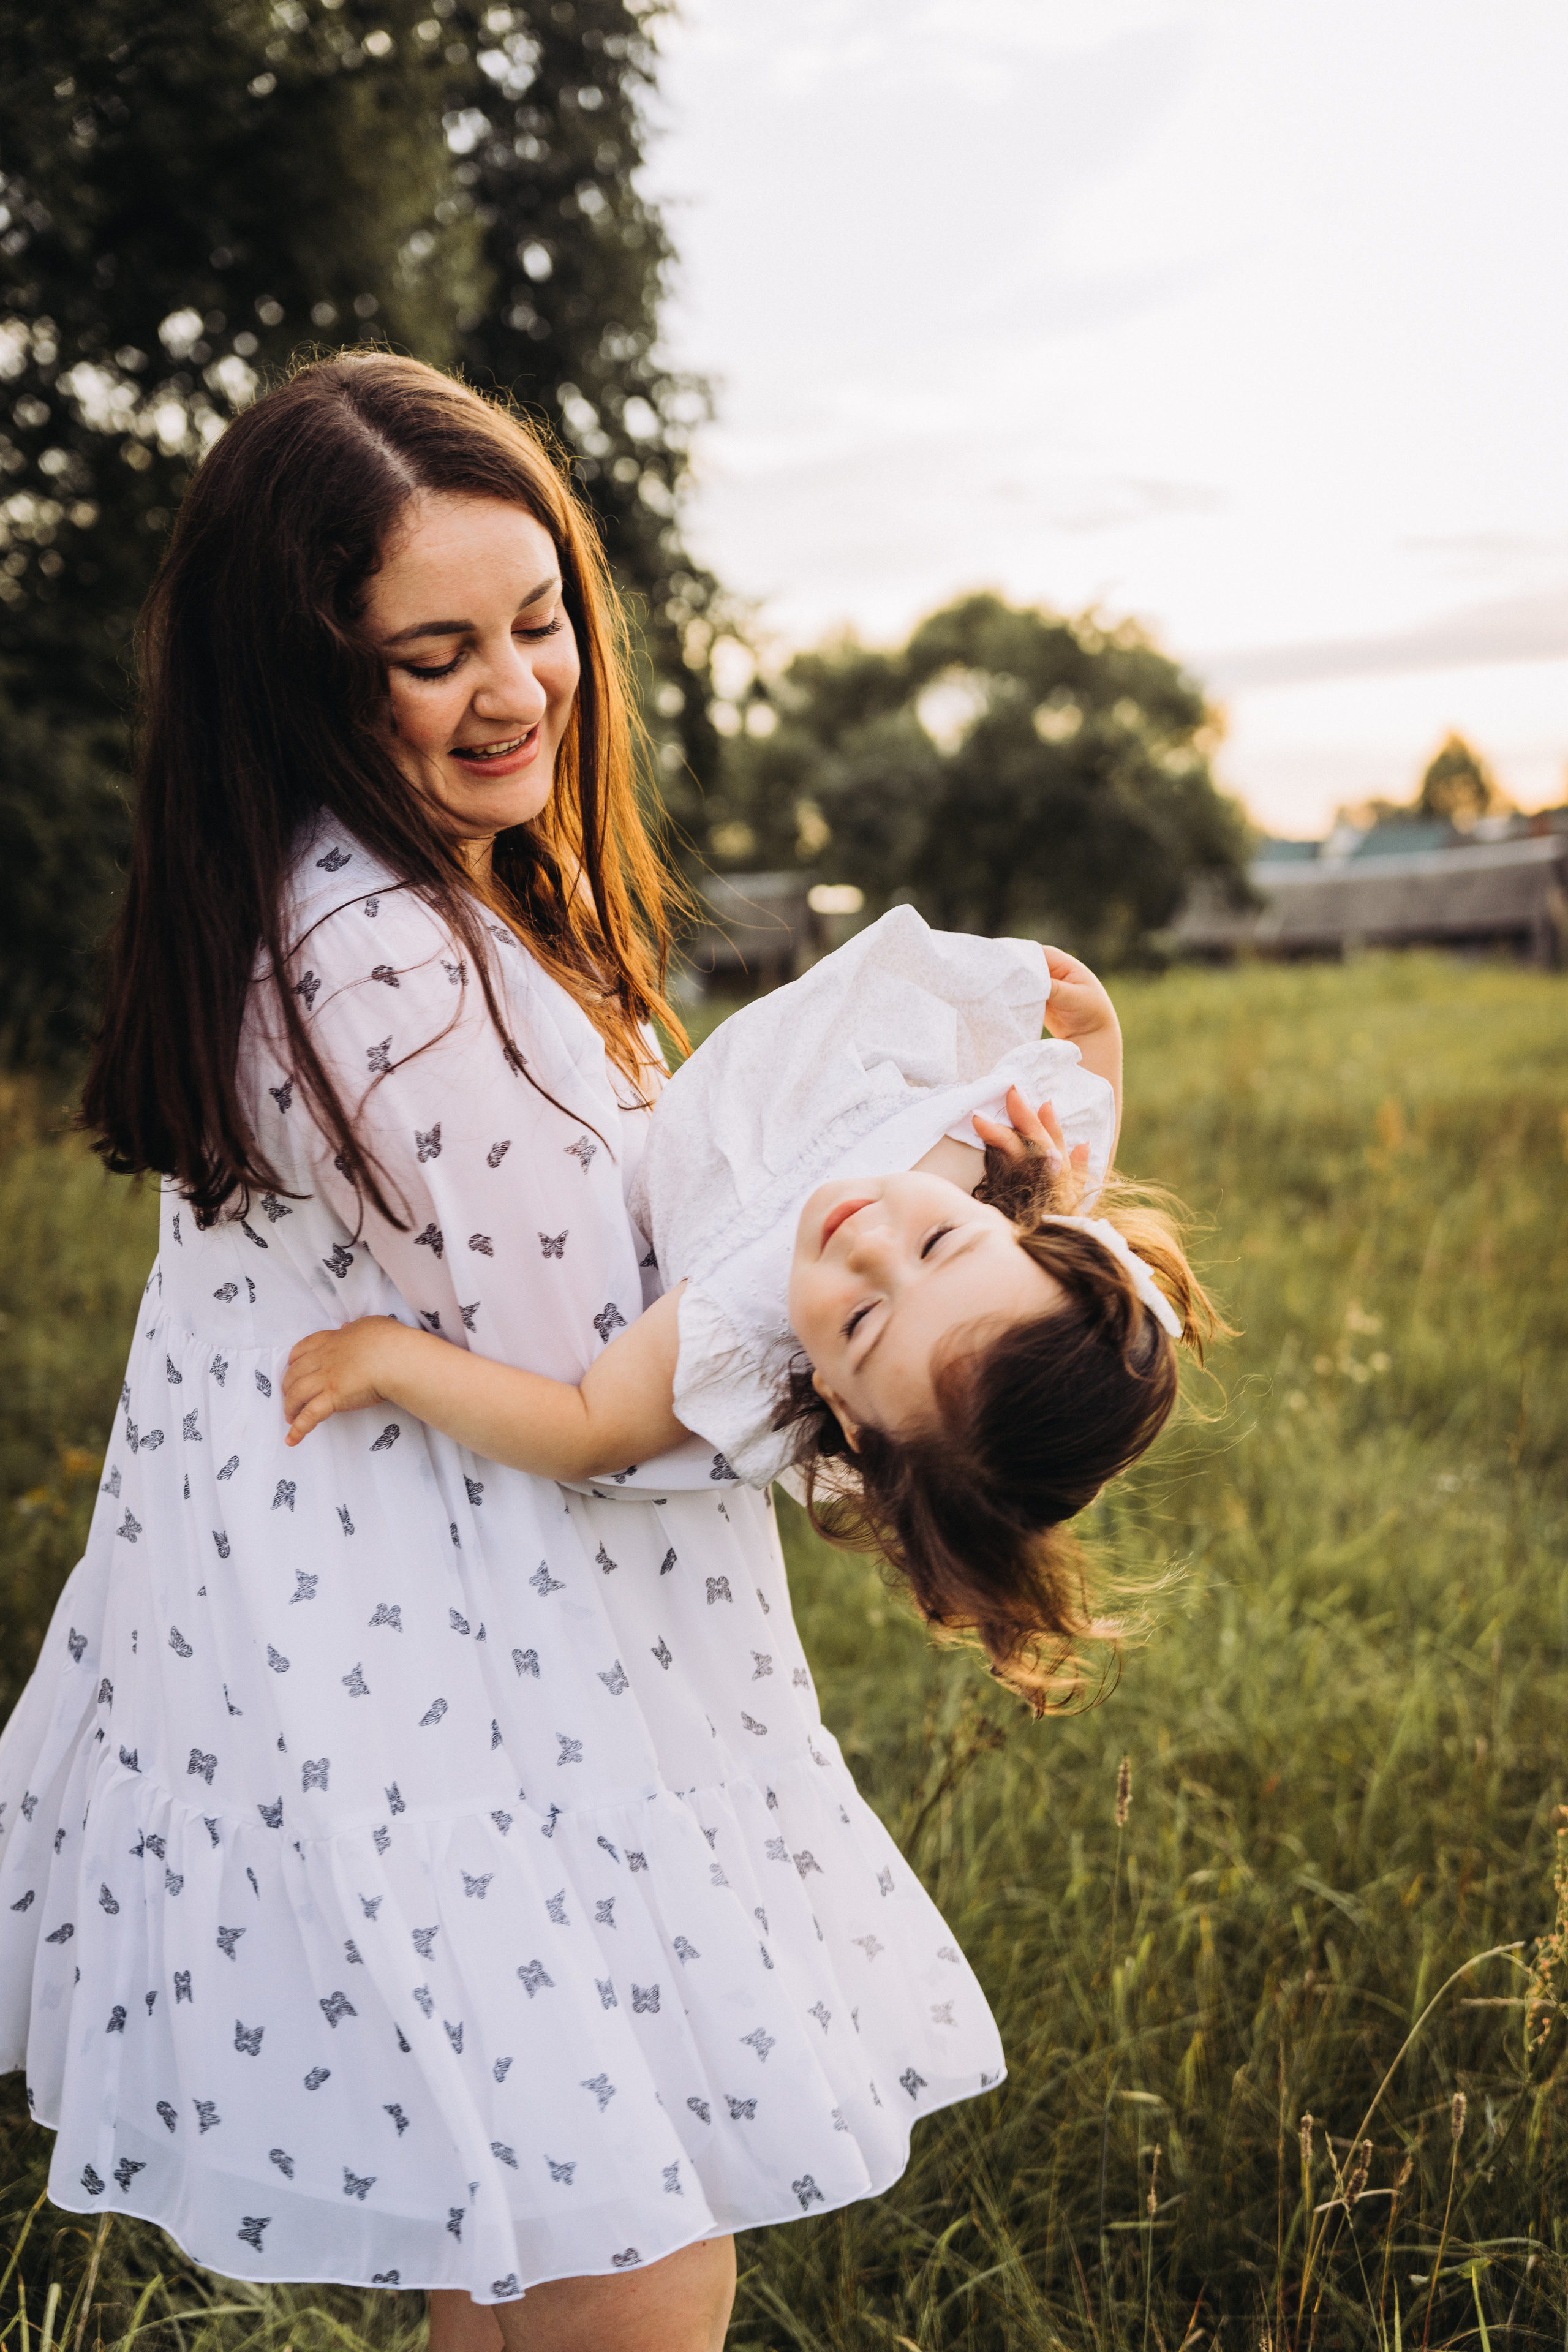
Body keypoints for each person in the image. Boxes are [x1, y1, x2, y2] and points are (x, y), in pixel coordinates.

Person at [0, 355, 1006, 2352]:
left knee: (539, 2247)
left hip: (462, 1677)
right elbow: (621, 1400)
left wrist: (923, 1178)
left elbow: (629, 1248)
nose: (519, 688)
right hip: (501, 1709)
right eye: (431, 653)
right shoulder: (387, 958)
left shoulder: (381, 903)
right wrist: (916, 1365)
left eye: (540, 621)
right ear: (307, 678)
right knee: (637, 2265)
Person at [284, 907, 1218, 1708]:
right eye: (941, 1243)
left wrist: (388, 1362)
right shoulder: (1008, 1173)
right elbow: (1081, 1155)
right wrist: (1100, 1038)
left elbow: (583, 1430)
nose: (868, 1245)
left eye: (861, 1323)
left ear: (846, 1411)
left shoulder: (742, 1334)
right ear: (1020, 1234)